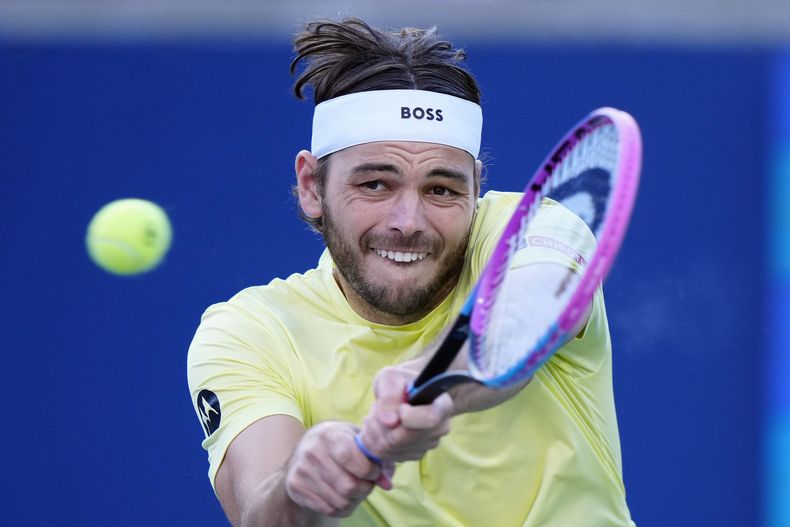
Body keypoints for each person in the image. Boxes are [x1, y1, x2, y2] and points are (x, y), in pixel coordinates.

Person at [187, 17, 635, 527]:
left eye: (442, 189)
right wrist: (301, 486)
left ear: (475, 188)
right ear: (312, 186)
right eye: (376, 184)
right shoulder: (248, 330)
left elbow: (522, 318)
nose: (408, 223)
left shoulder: (533, 227)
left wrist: (424, 385)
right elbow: (259, 511)